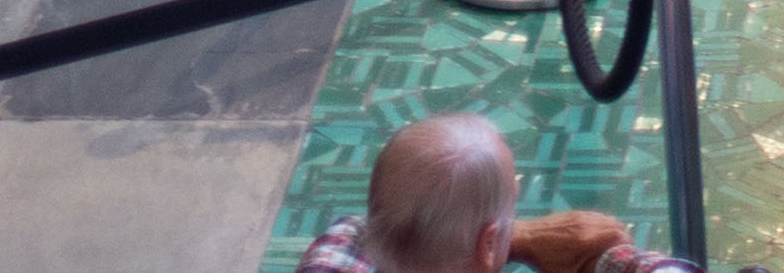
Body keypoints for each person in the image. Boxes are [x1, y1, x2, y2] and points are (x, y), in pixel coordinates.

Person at [294, 109, 699, 273]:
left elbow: (356, 231)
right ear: (487, 245)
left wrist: (501, 237)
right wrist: (607, 261)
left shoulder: (330, 259)